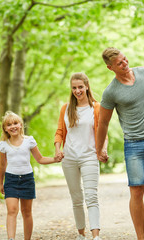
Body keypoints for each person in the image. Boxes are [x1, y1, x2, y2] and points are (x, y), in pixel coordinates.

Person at [96, 47, 144, 240]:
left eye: (124, 59)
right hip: (134, 145)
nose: (124, 63)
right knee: (137, 191)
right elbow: (103, 122)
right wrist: (99, 149)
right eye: (119, 63)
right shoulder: (111, 92)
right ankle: (141, 237)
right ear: (110, 67)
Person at [54, 72, 106, 240]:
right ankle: (81, 234)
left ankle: (96, 236)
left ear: (87, 86)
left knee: (91, 196)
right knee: (76, 197)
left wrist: (103, 150)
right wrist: (57, 149)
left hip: (89, 156)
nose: (77, 91)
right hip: (69, 158)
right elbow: (60, 132)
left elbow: (102, 133)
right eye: (74, 88)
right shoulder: (66, 108)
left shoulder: (96, 107)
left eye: (80, 87)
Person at [0, 111, 62, 240]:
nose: (13, 126)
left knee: (26, 212)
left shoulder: (29, 141)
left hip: (27, 179)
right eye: (9, 124)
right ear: (5, 128)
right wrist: (1, 183)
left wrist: (55, 159)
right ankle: (11, 238)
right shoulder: (4, 144)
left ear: (21, 125)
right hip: (10, 180)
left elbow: (40, 159)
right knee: (12, 210)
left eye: (15, 123)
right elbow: (2, 165)